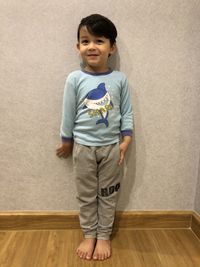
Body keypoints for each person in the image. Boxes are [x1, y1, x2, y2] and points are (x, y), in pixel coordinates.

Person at [56, 14, 133, 261]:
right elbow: (68, 113)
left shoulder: (120, 80)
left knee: (108, 193)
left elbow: (126, 112)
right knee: (86, 194)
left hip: (112, 148)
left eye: (99, 40)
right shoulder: (75, 79)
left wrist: (127, 138)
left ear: (112, 48)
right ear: (77, 47)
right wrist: (66, 140)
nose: (91, 46)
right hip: (83, 148)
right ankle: (89, 233)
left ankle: (103, 235)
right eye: (85, 40)